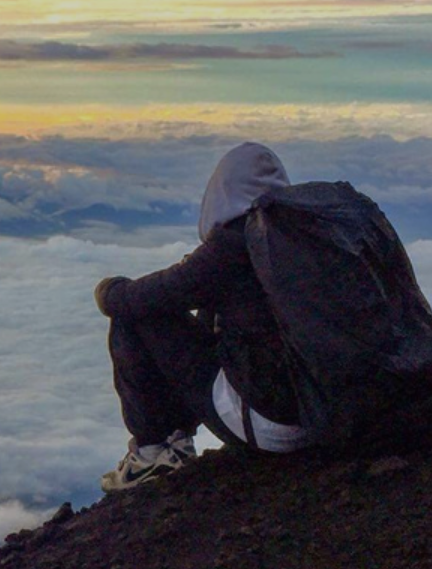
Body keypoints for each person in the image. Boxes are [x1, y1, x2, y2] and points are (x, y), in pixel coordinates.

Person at [94, 142, 311, 491]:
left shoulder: (234, 247)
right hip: (322, 414)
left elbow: (134, 299)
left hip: (272, 425)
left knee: (133, 315)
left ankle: (154, 454)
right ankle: (173, 443)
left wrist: (107, 288)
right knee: (210, 309)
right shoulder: (306, 237)